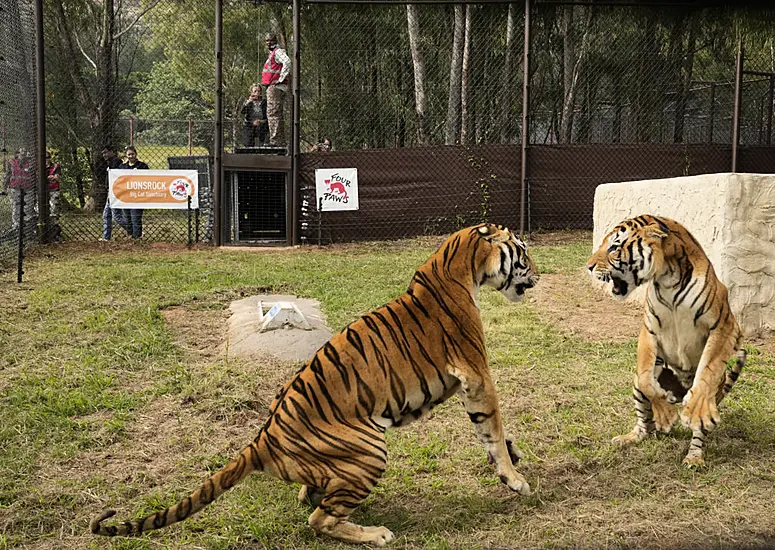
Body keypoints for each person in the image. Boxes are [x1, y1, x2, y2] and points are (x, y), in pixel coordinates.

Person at [261, 33, 291, 147]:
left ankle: (276, 140)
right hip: (274, 86)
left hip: (275, 87)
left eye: (270, 40)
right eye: (266, 40)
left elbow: (287, 61)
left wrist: (281, 78)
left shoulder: (277, 52)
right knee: (276, 113)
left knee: (272, 112)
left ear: (275, 41)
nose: (268, 42)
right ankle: (278, 139)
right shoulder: (272, 53)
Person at [118, 145, 149, 240]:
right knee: (127, 218)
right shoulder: (122, 167)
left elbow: (148, 179)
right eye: (129, 154)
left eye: (132, 154)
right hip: (126, 196)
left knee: (136, 217)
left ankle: (137, 237)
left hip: (138, 196)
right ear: (126, 155)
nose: (131, 156)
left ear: (136, 154)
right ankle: (130, 235)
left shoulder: (142, 166)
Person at [7, 147, 37, 232]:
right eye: (21, 153)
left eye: (25, 152)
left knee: (28, 207)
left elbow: (35, 175)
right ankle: (16, 226)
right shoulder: (12, 162)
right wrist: (5, 187)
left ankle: (27, 227)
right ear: (17, 154)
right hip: (15, 187)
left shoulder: (30, 163)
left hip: (28, 188)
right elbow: (8, 175)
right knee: (16, 207)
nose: (23, 154)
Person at [101, 145, 124, 241]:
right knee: (107, 214)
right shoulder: (109, 163)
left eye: (106, 152)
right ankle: (106, 236)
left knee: (116, 216)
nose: (104, 155)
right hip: (110, 190)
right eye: (103, 153)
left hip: (114, 191)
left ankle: (133, 230)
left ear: (112, 152)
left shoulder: (117, 162)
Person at [46, 151, 63, 240]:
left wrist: (48, 177)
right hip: (42, 191)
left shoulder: (55, 166)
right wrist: (50, 177)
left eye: (48, 157)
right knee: (39, 210)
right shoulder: (38, 166)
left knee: (54, 210)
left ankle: (54, 231)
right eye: (44, 158)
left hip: (53, 190)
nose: (46, 159)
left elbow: (57, 178)